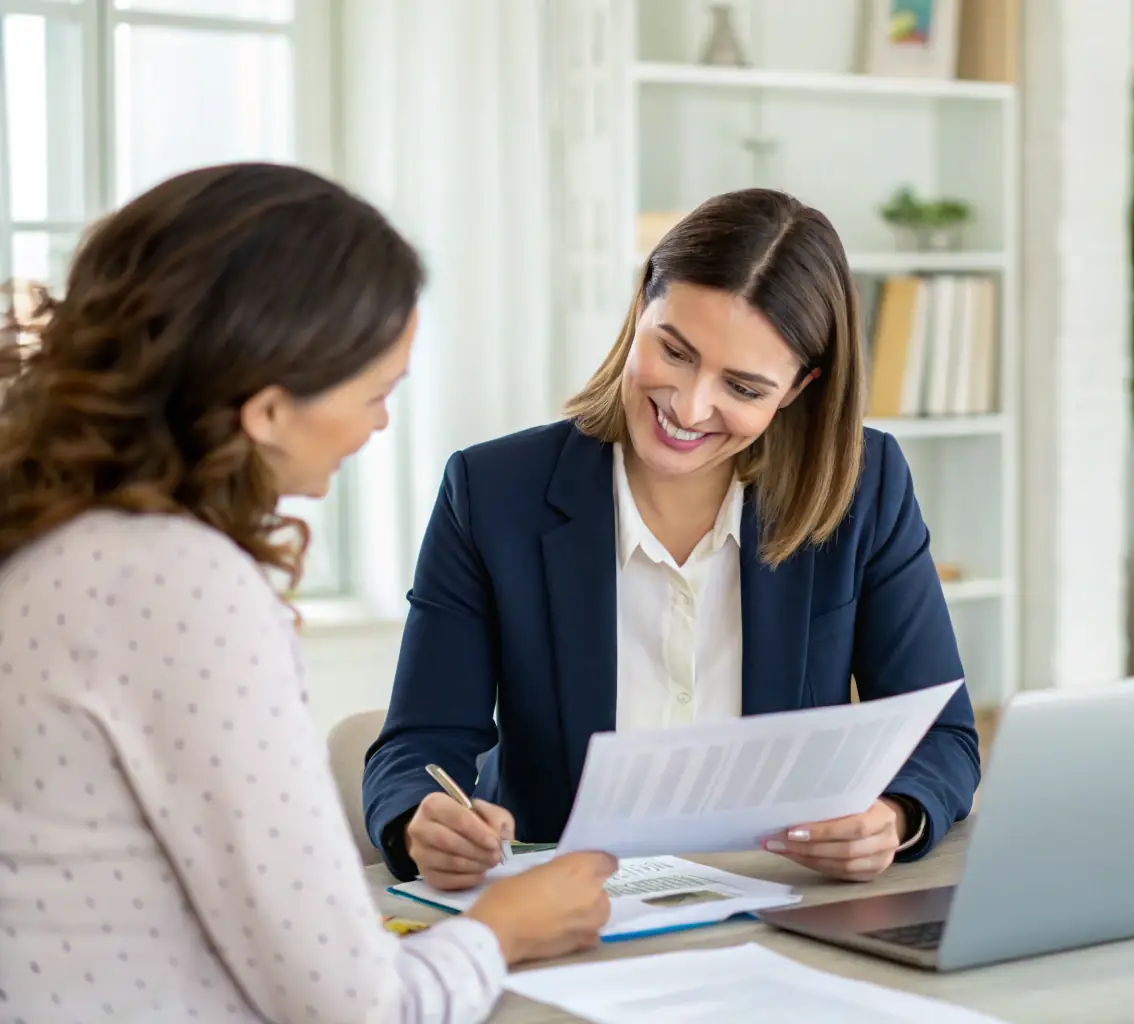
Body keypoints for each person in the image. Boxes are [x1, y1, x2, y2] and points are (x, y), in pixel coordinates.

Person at [0, 163, 617, 1024]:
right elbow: (356, 1007)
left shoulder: (48, 533)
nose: (379, 423)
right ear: (266, 411)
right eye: (376, 393)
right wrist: (505, 927)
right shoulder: (183, 586)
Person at [363, 187, 981, 892]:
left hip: (785, 903)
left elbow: (943, 736)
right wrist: (422, 819)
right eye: (675, 352)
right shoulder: (493, 492)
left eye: (743, 388)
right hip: (568, 908)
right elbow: (419, 740)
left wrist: (894, 816)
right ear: (640, 307)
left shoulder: (865, 487)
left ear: (797, 388)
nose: (689, 407)